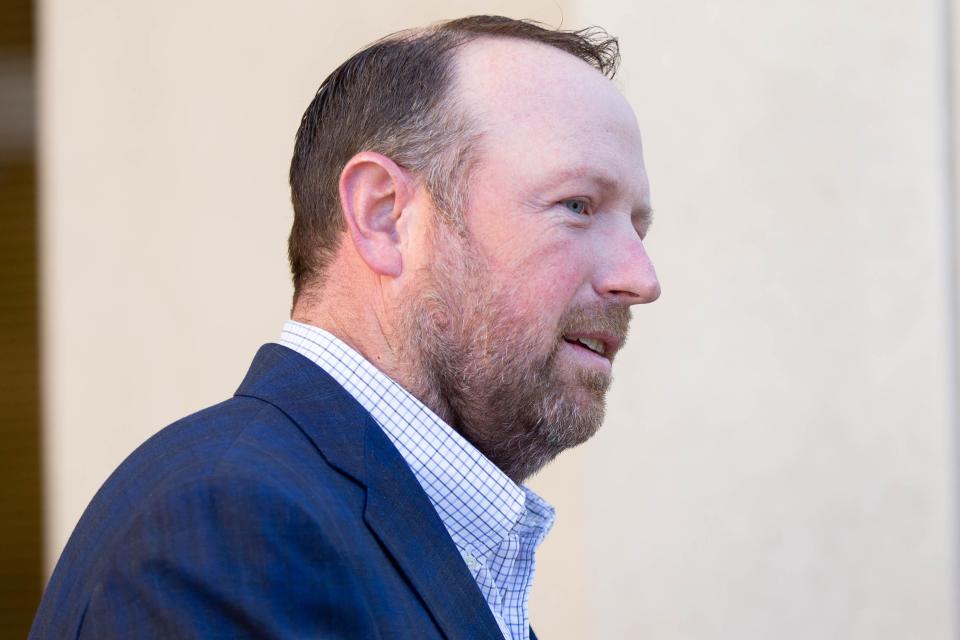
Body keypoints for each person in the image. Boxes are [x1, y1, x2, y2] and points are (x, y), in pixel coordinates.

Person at [30, 15, 660, 640]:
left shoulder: (353, 522)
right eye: (577, 206)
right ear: (385, 216)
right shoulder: (230, 526)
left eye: (638, 227)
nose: (640, 277)